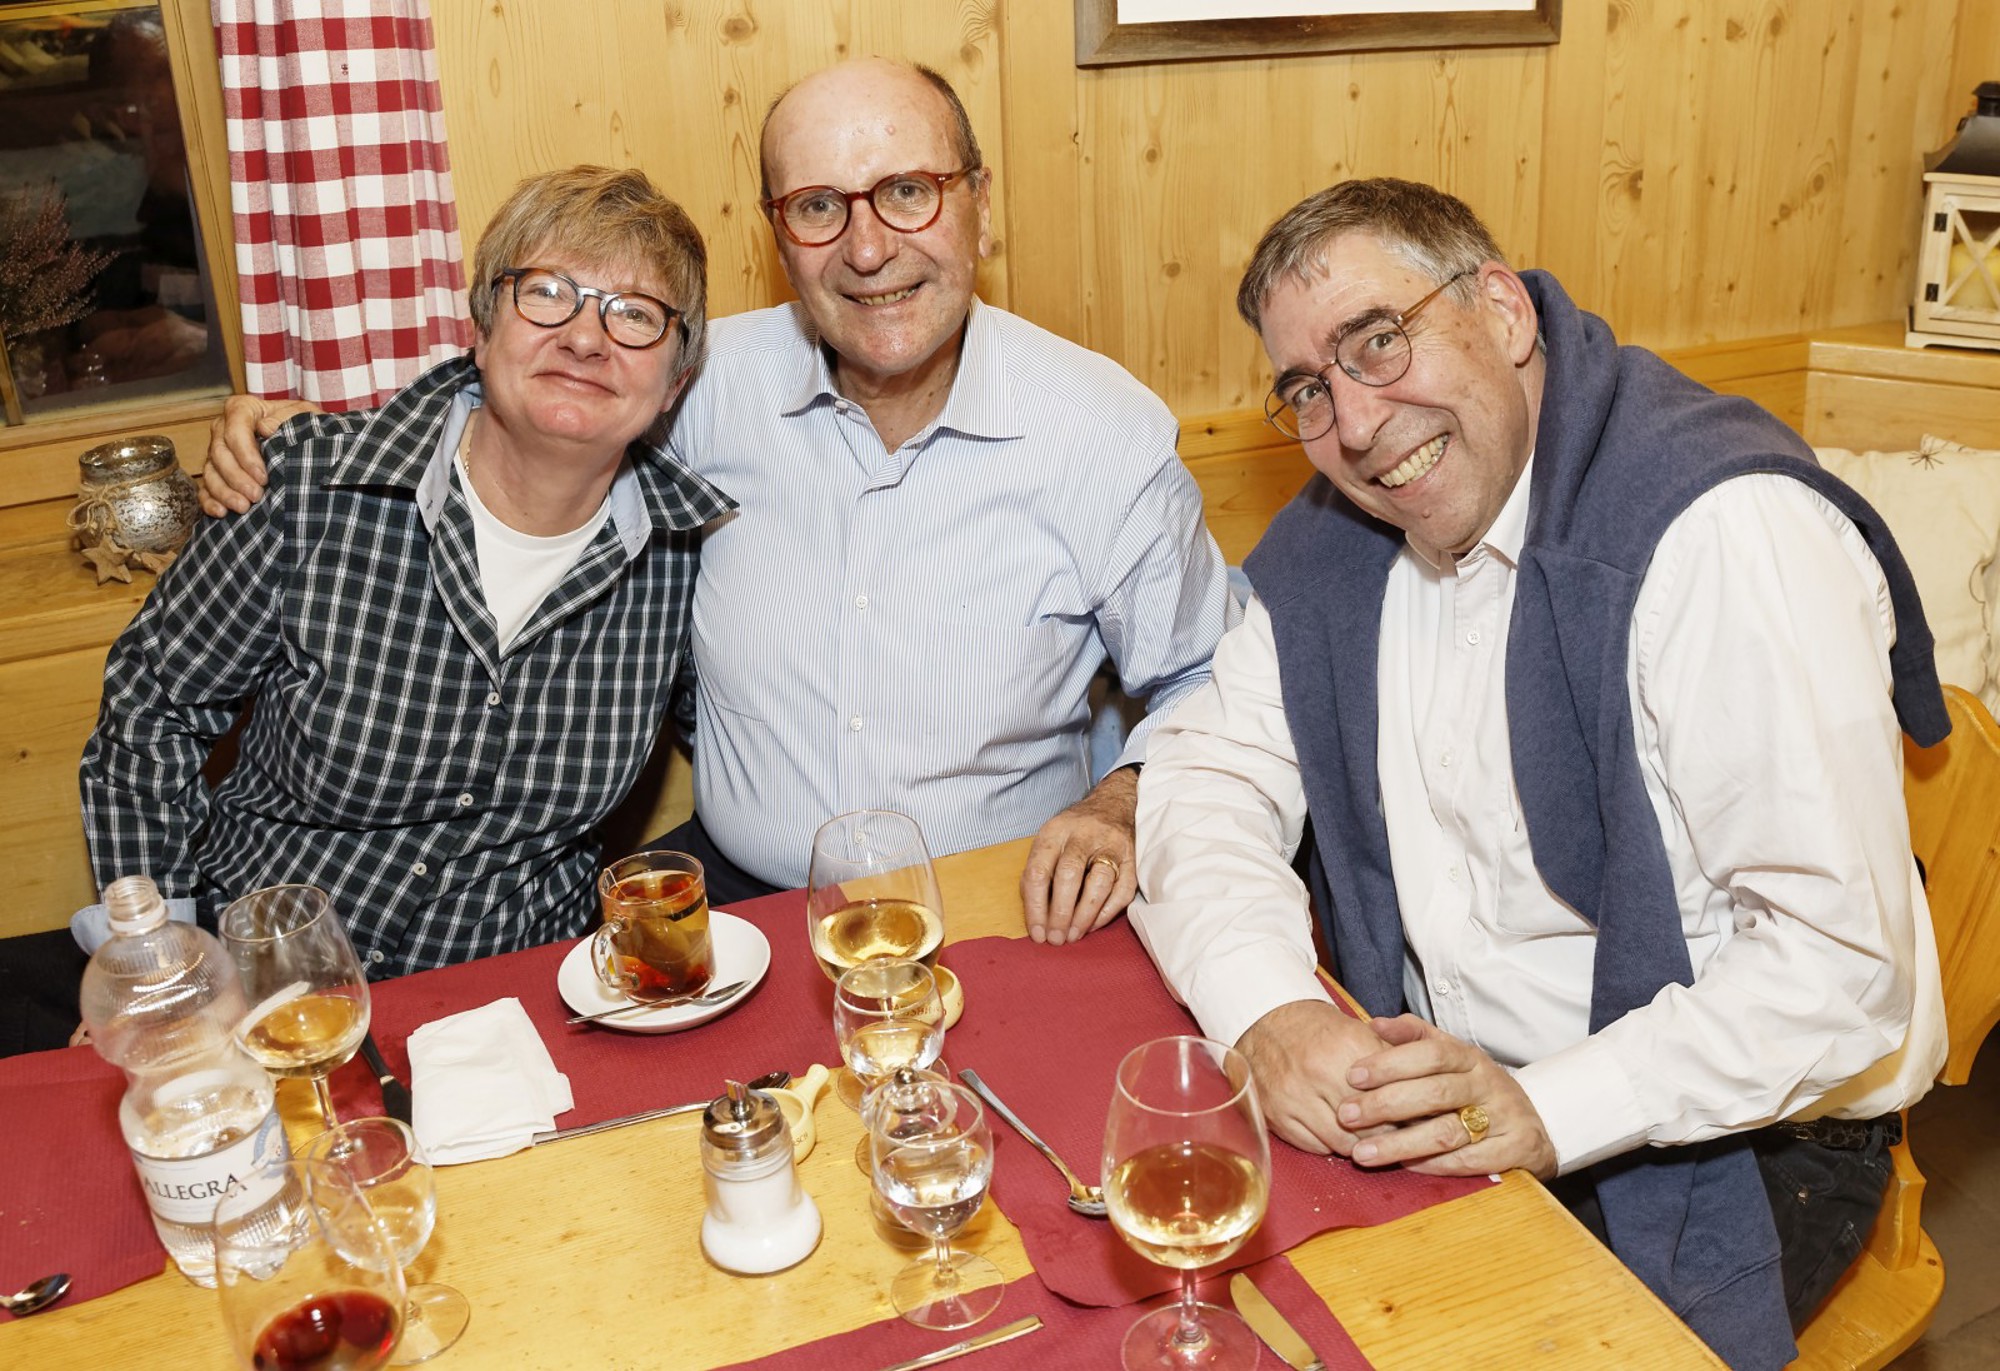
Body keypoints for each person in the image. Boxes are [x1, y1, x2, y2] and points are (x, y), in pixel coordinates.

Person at [1129, 178, 1948, 1369]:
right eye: (1308, 387)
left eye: (1377, 340)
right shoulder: (1340, 535)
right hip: (1442, 1093)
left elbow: (1838, 967)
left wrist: (1546, 1107)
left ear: (1503, 313)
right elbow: (1204, 773)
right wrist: (1271, 1009)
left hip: (1733, 1136)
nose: (1353, 424)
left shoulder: (1723, 534)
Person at [201, 58, 1236, 946]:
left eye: (907, 191)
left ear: (979, 203)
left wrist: (1123, 801)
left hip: (1000, 908)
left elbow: (1208, 676)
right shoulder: (700, 386)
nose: (867, 249)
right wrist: (315, 433)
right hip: (739, 914)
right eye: (819, 206)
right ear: (778, 234)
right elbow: (541, 388)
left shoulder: (1102, 434)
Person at [81, 166, 732, 975]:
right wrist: (160, 967)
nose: (585, 337)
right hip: (272, 978)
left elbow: (753, 728)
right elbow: (150, 709)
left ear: (674, 383)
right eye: (547, 293)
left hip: (521, 992)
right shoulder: (308, 488)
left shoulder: (686, 557)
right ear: (483, 329)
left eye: (635, 314)